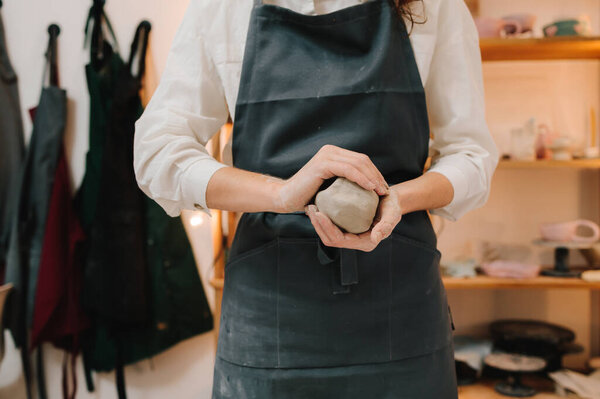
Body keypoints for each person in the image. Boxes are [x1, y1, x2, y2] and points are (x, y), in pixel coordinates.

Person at [133, 0, 498, 397]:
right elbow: (158, 150)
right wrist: (280, 193)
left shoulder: (434, 5)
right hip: (270, 319)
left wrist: (398, 199)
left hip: (400, 311)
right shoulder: (223, 7)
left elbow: (471, 154)